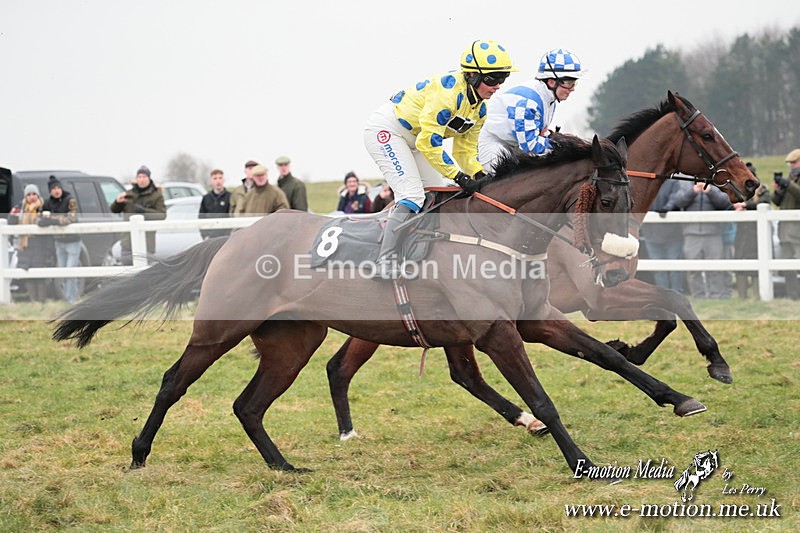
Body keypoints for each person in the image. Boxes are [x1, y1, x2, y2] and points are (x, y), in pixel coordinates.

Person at [363, 39, 516, 279]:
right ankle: (385, 261)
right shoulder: (447, 96)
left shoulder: (480, 109)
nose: (497, 86)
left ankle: (419, 252)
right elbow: (428, 143)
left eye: (502, 79)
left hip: (416, 139)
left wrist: (479, 176)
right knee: (412, 195)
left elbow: (464, 151)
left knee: (437, 192)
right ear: (473, 76)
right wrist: (458, 176)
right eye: (492, 79)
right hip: (389, 131)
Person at [479, 48, 584, 171]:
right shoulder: (529, 101)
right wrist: (564, 148)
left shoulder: (549, 99)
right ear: (551, 82)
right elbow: (531, 144)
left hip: (514, 145)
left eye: (574, 83)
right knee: (516, 180)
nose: (572, 89)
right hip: (493, 144)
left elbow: (540, 133)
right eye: (569, 83)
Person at [668, 180, 732, 299]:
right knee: (693, 269)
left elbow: (724, 203)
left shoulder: (717, 184)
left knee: (715, 268)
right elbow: (678, 202)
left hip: (713, 233)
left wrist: (710, 191)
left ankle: (716, 295)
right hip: (691, 233)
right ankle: (698, 296)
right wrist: (692, 191)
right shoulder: (685, 184)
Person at [110, 165, 166, 263]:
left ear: (149, 178)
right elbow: (114, 210)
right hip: (128, 242)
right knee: (127, 272)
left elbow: (162, 215)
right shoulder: (128, 194)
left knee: (145, 274)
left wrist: (144, 211)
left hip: (147, 242)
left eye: (144, 177)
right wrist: (117, 202)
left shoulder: (156, 195)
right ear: (136, 179)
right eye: (139, 177)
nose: (141, 179)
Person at [732, 163, 770, 299]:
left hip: (756, 233)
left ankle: (757, 295)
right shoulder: (737, 190)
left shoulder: (762, 190)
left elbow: (764, 202)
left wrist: (745, 205)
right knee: (740, 262)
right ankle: (742, 296)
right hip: (742, 233)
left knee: (756, 264)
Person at [40, 176, 80, 303]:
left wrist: (52, 220)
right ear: (50, 191)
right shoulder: (47, 203)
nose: (57, 190)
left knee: (70, 271)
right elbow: (39, 218)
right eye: (54, 189)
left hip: (73, 241)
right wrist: (44, 221)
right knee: (62, 273)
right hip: (58, 242)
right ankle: (67, 299)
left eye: (58, 188)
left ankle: (71, 300)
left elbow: (71, 218)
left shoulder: (70, 200)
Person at [641, 179, 684, 292]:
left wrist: (666, 209)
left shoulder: (673, 182)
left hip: (672, 233)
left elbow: (675, 198)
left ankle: (676, 292)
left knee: (674, 266)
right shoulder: (646, 183)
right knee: (658, 268)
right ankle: (663, 293)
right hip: (651, 233)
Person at [8, 184, 50, 301]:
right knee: (26, 270)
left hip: (40, 244)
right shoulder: (19, 208)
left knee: (39, 271)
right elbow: (11, 223)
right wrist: (14, 215)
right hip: (24, 244)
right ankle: (33, 300)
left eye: (34, 194)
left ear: (38, 195)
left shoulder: (44, 207)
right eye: (29, 194)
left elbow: (46, 223)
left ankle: (41, 301)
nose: (32, 197)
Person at [772, 148, 800, 299]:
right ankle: (793, 295)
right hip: (785, 231)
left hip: (798, 231)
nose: (791, 166)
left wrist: (788, 184)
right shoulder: (790, 178)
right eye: (789, 163)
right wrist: (778, 191)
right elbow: (775, 202)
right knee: (785, 264)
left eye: (794, 162)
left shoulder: (791, 181)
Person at [198, 169, 231, 239]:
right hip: (210, 238)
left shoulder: (230, 197)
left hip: (226, 237)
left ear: (223, 180)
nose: (218, 181)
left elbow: (232, 216)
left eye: (220, 178)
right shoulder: (206, 198)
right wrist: (204, 235)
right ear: (211, 181)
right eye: (215, 178)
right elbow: (201, 217)